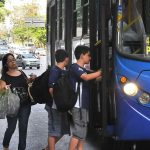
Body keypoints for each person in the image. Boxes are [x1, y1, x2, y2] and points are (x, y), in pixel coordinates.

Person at [68, 45, 102, 150]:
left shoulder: (83, 69)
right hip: (77, 104)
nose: (90, 58)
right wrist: (101, 72)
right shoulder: (75, 67)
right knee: (79, 131)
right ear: (82, 55)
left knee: (83, 130)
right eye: (88, 55)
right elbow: (86, 77)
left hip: (83, 104)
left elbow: (94, 79)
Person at [0, 53, 32, 150]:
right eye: (10, 60)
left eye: (13, 59)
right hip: (12, 106)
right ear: (6, 64)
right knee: (11, 128)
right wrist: (4, 88)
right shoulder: (4, 77)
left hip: (25, 105)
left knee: (23, 128)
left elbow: (27, 82)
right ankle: (6, 144)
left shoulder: (22, 73)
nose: (13, 61)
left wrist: (31, 79)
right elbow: (1, 89)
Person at [44, 49, 70, 150]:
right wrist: (58, 102)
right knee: (53, 131)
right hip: (54, 106)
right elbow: (51, 89)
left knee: (62, 131)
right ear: (66, 59)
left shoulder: (62, 71)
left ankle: (47, 148)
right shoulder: (55, 70)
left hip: (60, 106)